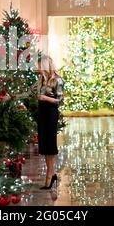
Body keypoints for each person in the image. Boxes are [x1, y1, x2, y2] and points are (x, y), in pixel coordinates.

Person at [37, 55, 64, 190]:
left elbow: (59, 101)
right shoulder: (42, 79)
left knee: (50, 144)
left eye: (40, 66)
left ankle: (50, 175)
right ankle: (51, 174)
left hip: (51, 114)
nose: (38, 69)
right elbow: (31, 93)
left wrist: (45, 98)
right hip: (41, 113)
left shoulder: (58, 80)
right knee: (44, 145)